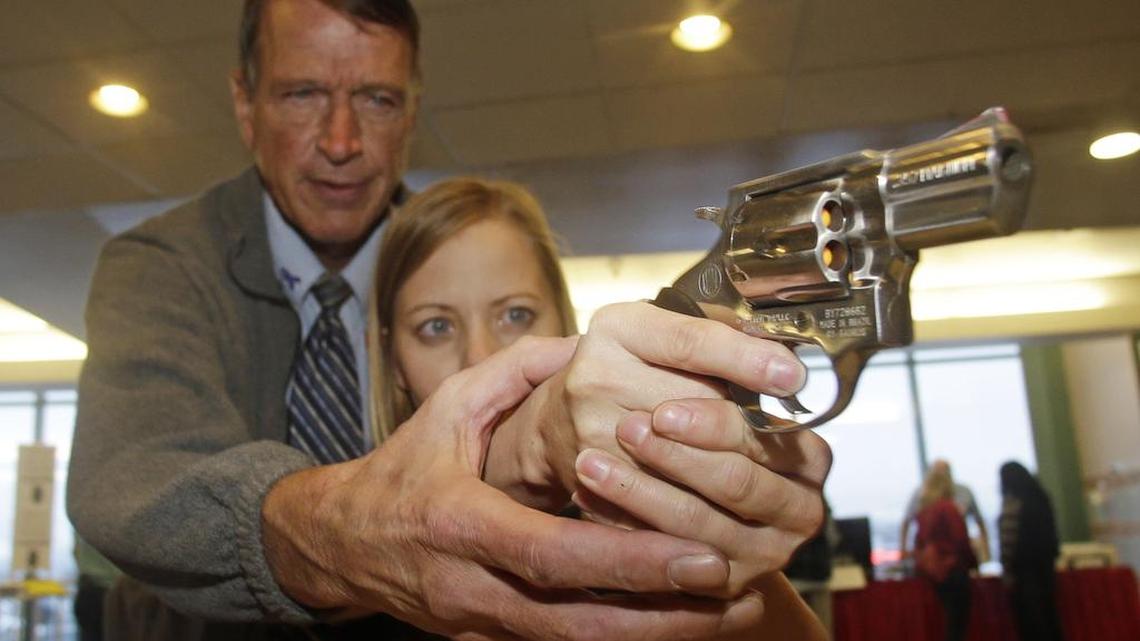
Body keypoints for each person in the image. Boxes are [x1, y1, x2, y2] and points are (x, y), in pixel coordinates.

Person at [66, 1, 831, 639]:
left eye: (377, 99)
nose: (341, 142)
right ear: (245, 104)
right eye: (302, 94)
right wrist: (353, 530)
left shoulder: (450, 248)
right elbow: (139, 478)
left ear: (411, 111)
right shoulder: (163, 267)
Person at [369, 176, 829, 639]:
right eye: (435, 327)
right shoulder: (357, 569)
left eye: (515, 315)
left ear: (561, 320)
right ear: (393, 360)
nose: (479, 356)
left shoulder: (642, 511)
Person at [999, 461, 1065, 641]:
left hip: (1023, 571)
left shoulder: (1013, 504)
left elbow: (1008, 541)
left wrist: (1007, 569)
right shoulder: (1040, 498)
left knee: (1032, 621)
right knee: (1048, 616)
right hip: (1044, 568)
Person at [912, 463, 978, 641]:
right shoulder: (948, 508)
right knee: (958, 623)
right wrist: (973, 563)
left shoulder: (924, 511)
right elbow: (960, 540)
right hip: (954, 570)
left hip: (935, 573)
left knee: (950, 620)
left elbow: (919, 543)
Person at [900, 459, 991, 562]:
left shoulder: (962, 494)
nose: (941, 476)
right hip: (938, 553)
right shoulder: (922, 496)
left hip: (943, 553)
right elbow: (907, 523)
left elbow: (978, 522)